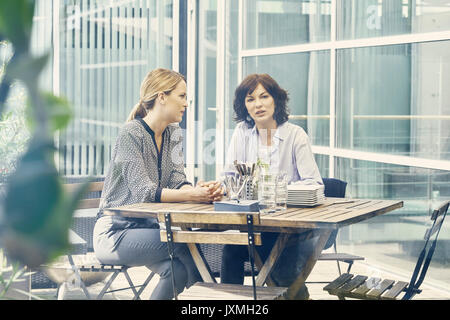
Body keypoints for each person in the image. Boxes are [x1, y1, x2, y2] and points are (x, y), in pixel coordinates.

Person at [93, 68, 222, 300]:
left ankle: (208, 298)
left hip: (147, 230)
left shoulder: (174, 133)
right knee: (183, 243)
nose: (186, 103)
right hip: (114, 232)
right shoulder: (130, 134)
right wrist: (192, 196)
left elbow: (176, 179)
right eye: (181, 96)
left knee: (177, 271)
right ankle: (210, 301)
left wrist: (196, 191)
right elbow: (144, 192)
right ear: (162, 97)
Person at [220, 73, 323, 299]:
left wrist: (276, 191)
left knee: (281, 269)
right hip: (252, 226)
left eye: (264, 96)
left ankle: (293, 292)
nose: (258, 104)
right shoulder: (241, 134)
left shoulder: (296, 135)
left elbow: (314, 183)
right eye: (250, 99)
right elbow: (229, 177)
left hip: (289, 229)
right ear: (244, 106)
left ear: (276, 99)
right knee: (230, 250)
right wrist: (220, 187)